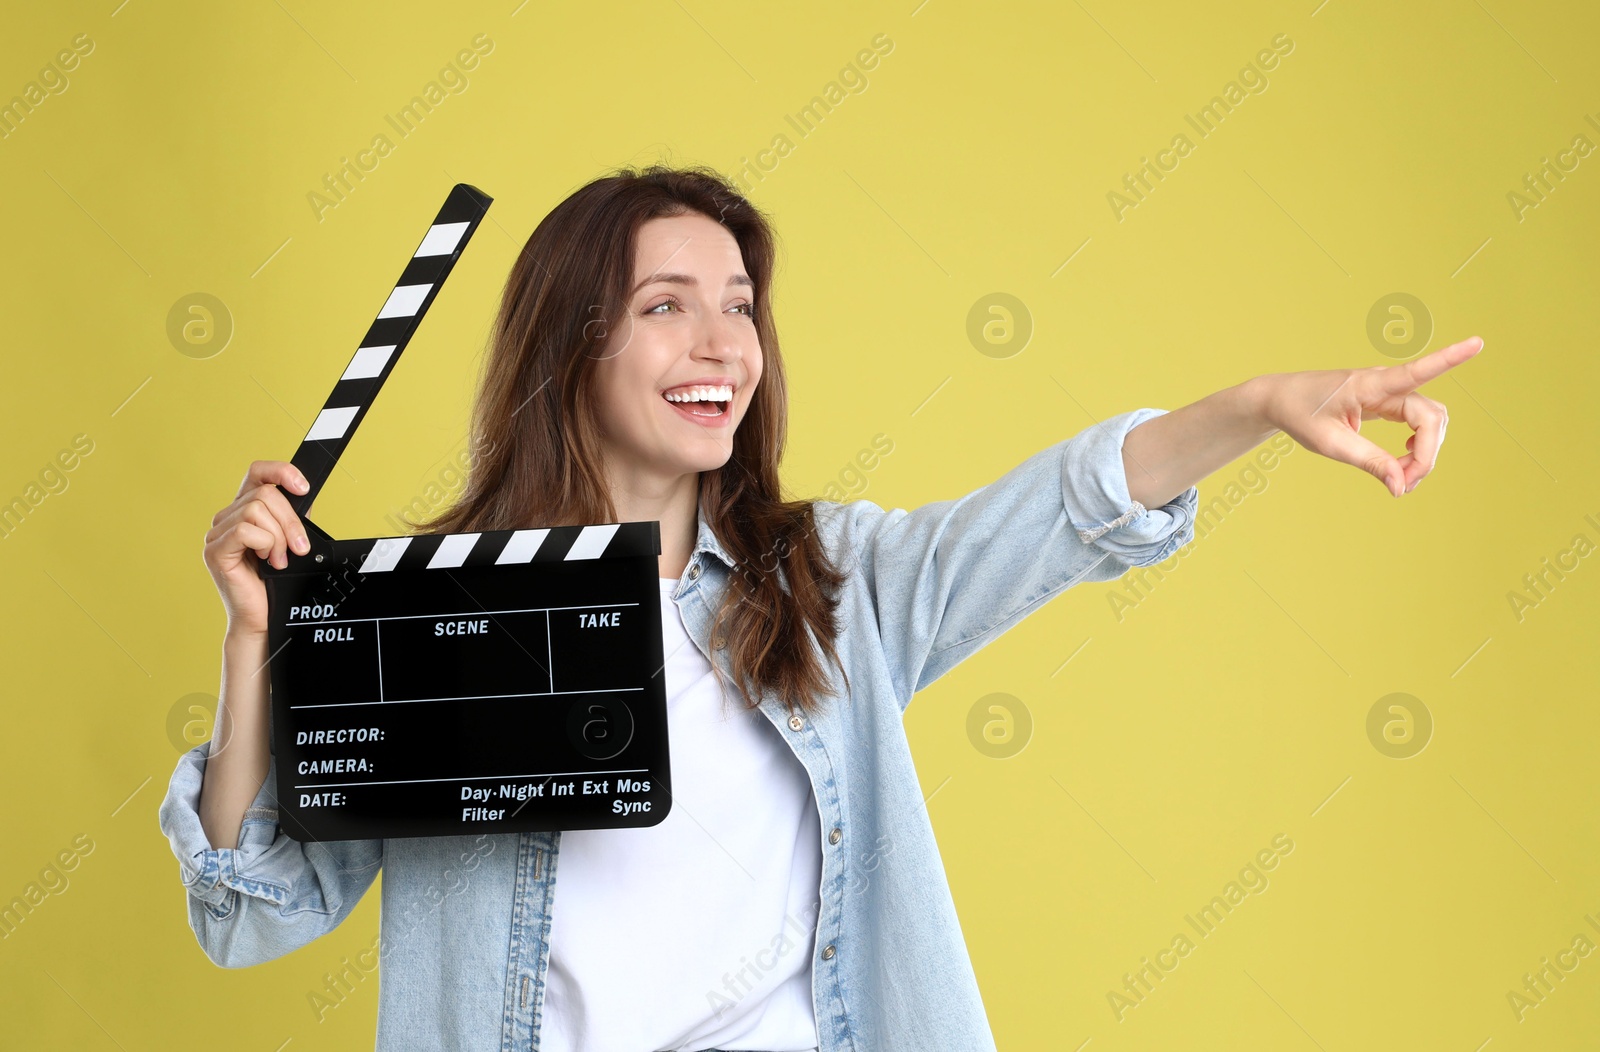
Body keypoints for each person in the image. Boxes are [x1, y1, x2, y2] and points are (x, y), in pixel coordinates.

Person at [158, 164, 1481, 1051]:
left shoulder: (828, 584)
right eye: (668, 307)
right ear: (573, 346)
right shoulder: (420, 623)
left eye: (739, 306)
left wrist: (1252, 410)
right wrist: (255, 644)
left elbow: (1062, 510)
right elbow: (248, 910)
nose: (723, 344)